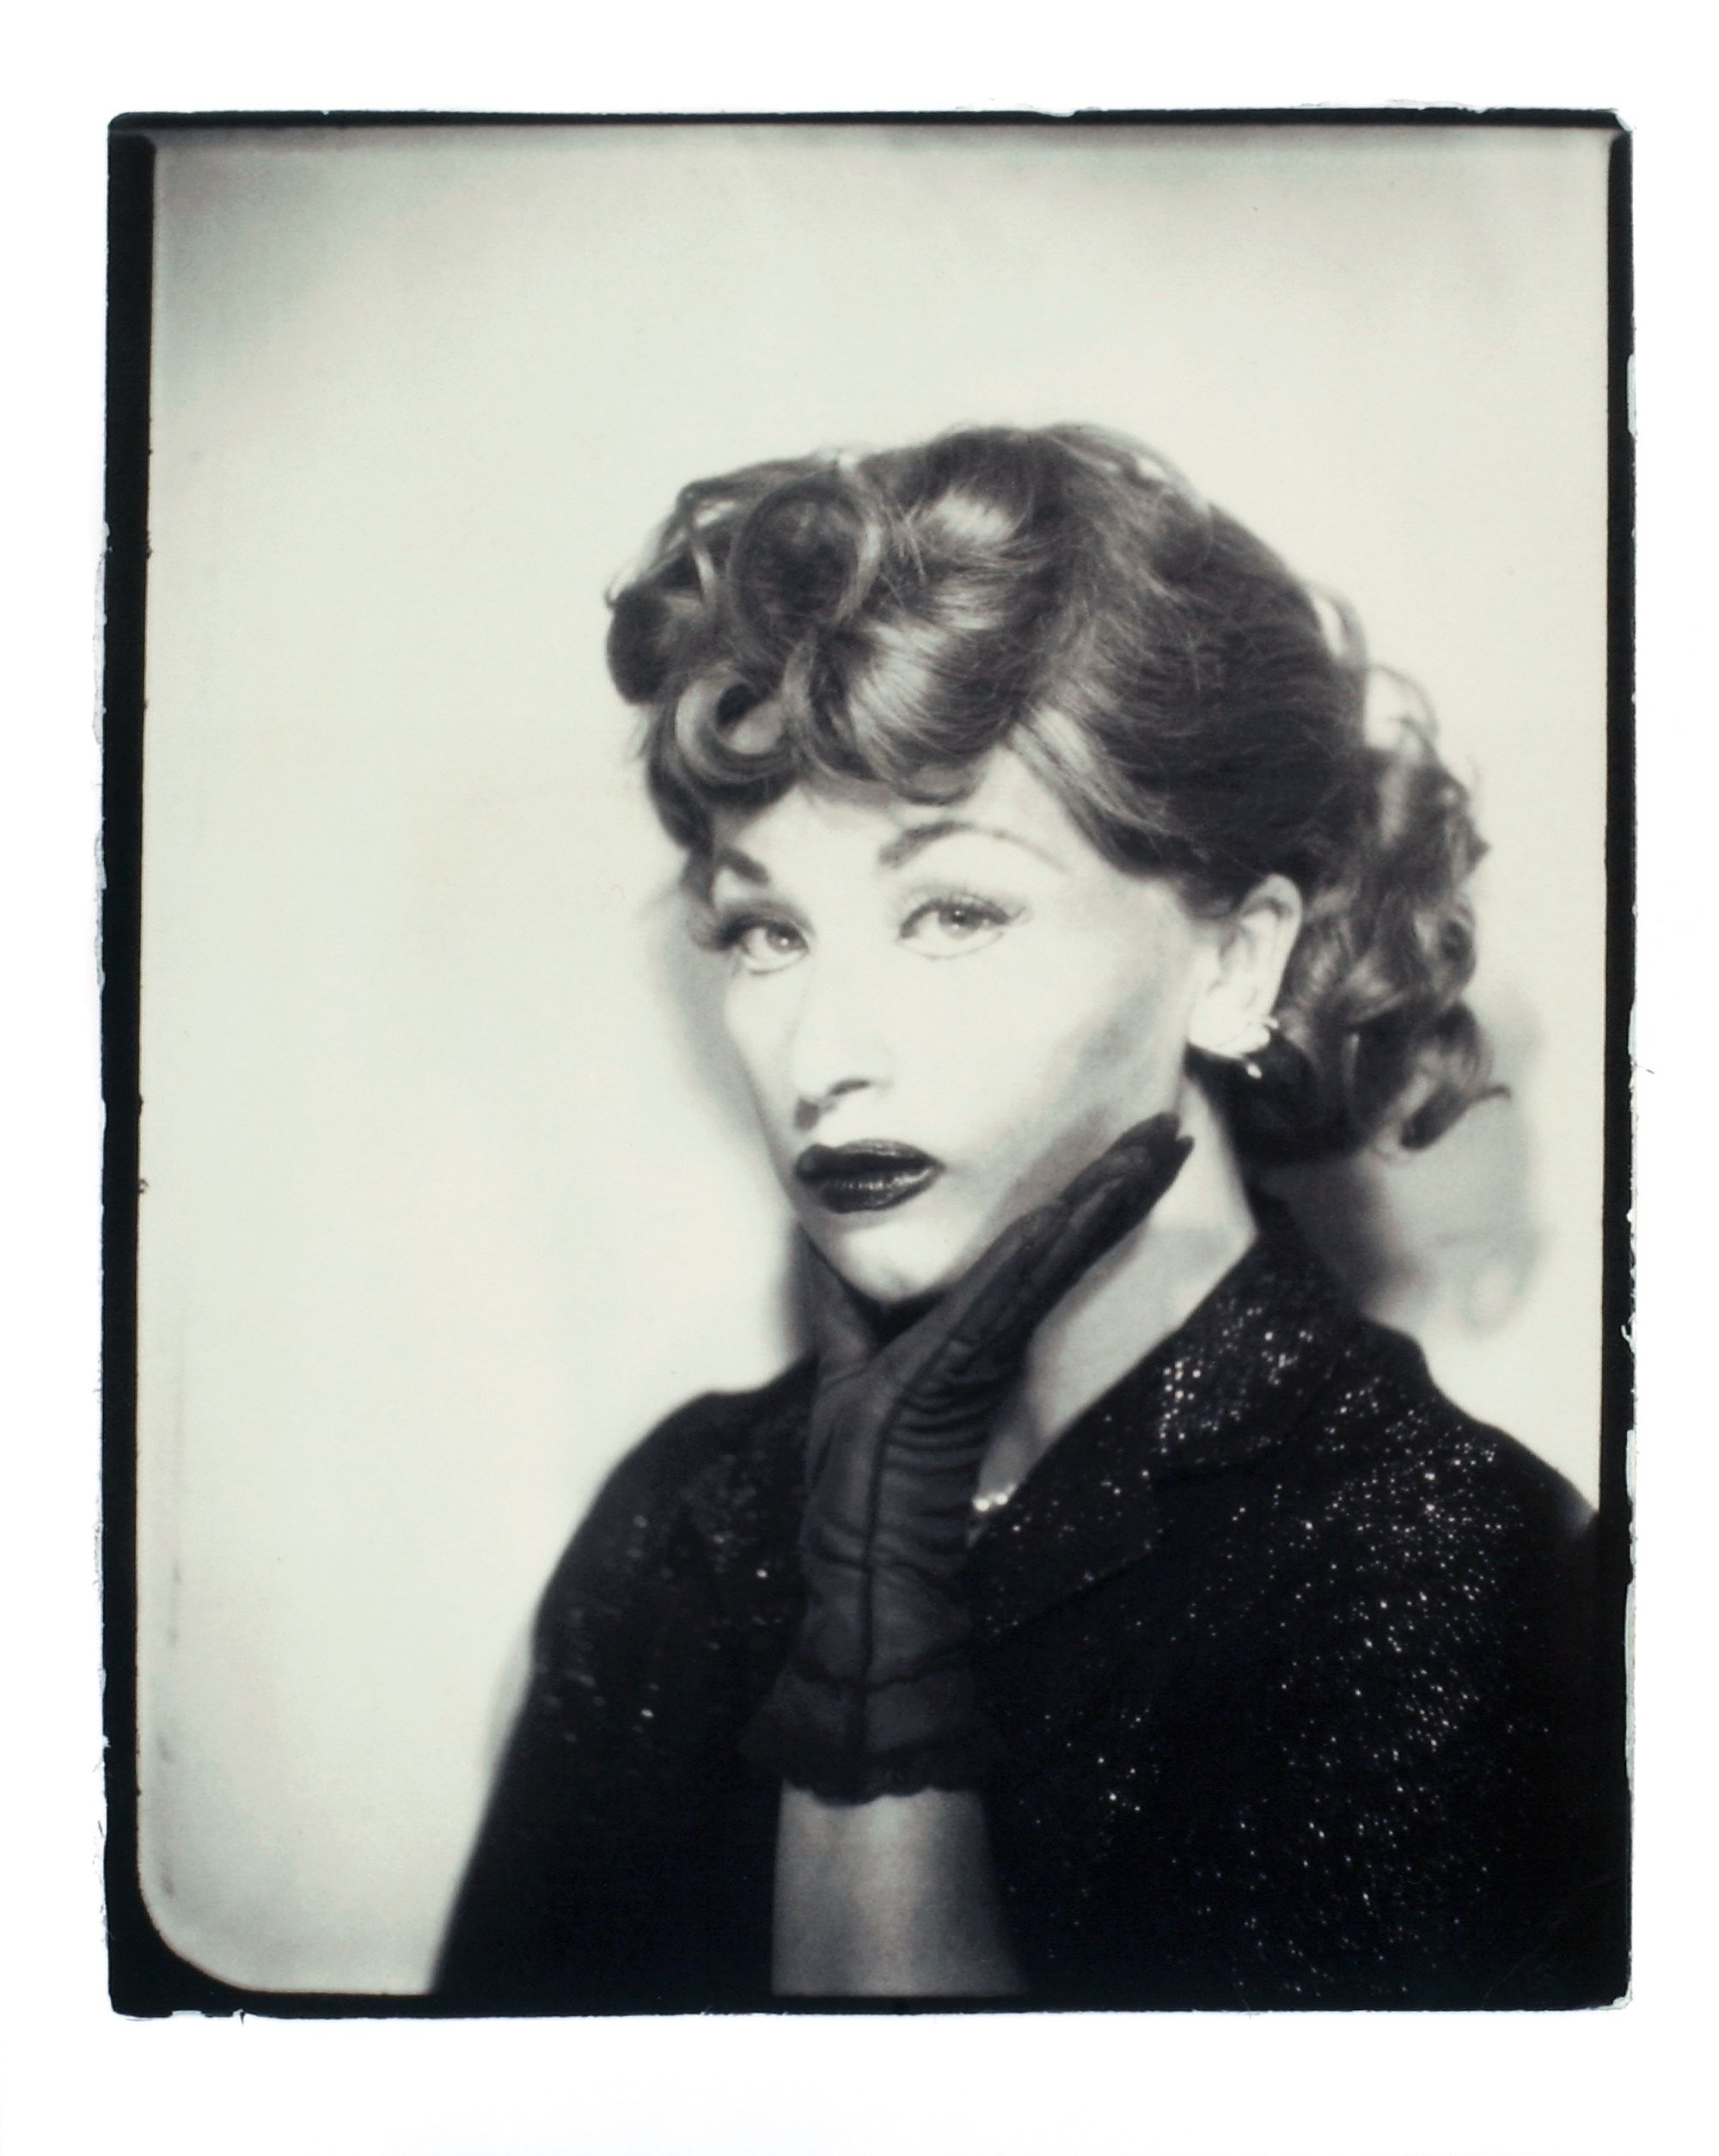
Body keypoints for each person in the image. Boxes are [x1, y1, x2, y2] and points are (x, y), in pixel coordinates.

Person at [433, 424, 1624, 2012]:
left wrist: (879, 1666)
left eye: (952, 911)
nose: (825, 1053)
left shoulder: (1451, 1567)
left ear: (1235, 960)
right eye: (769, 930)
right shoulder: (691, 1527)